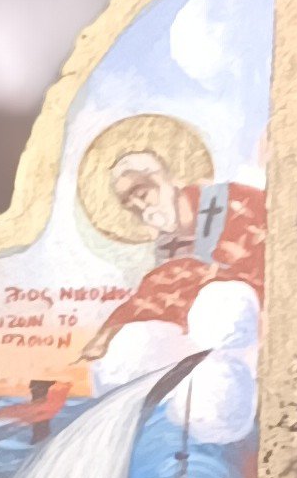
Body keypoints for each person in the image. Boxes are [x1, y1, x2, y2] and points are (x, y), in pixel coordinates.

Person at [77, 118, 265, 362]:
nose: (140, 207)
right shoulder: (167, 248)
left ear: (169, 179)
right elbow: (151, 297)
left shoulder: (234, 201)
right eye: (129, 204)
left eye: (142, 193)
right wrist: (107, 335)